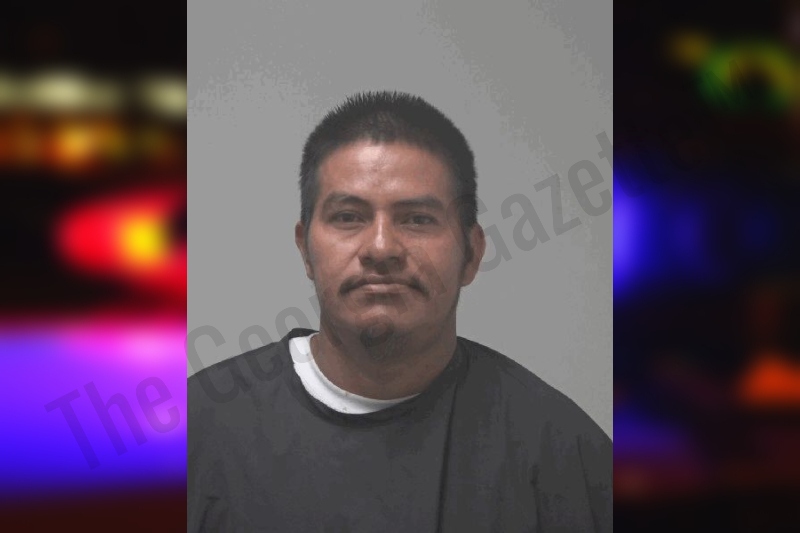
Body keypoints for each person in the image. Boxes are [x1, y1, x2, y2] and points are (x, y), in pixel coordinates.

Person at [188, 91, 612, 532]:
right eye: (348, 216)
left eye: (417, 219)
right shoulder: (195, 436)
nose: (381, 248)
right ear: (305, 250)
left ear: (471, 254)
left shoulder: (563, 455)